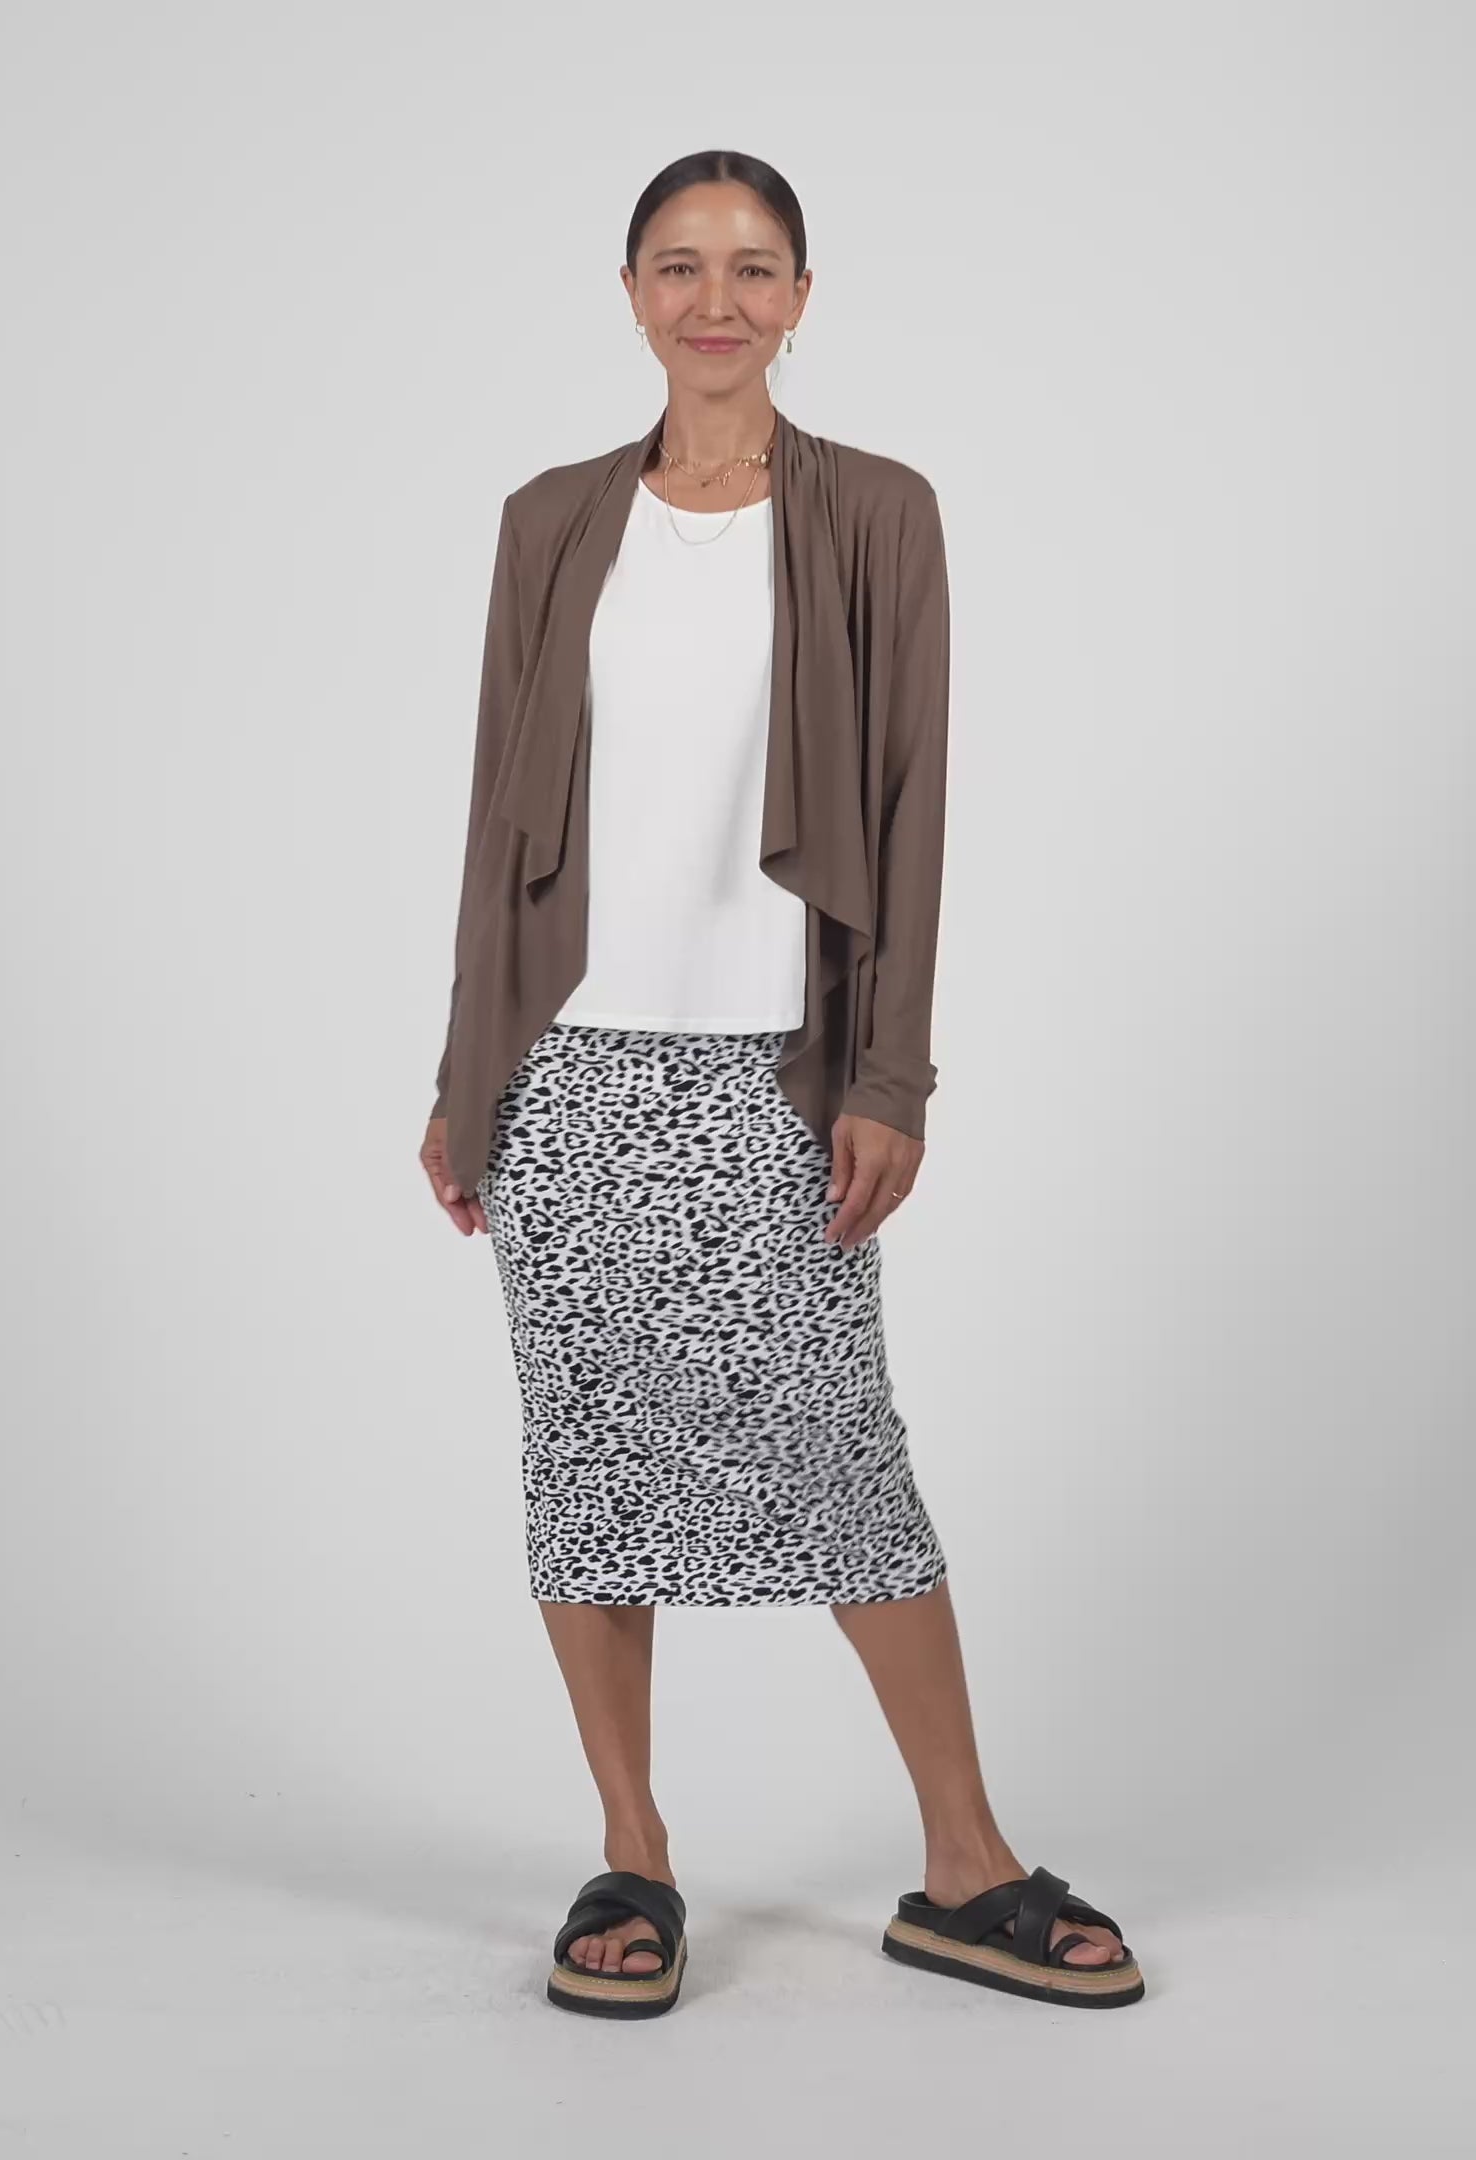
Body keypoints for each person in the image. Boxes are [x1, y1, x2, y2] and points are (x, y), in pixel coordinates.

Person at [420, 148, 1143, 2018]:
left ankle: (965, 1862)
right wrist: (465, 1069)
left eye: (753, 268)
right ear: (632, 294)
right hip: (571, 1068)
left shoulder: (877, 513)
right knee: (589, 1456)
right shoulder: (549, 521)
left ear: (803, 300)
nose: (715, 300)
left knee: (840, 1458)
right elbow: (499, 812)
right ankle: (633, 1854)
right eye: (679, 265)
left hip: (779, 1072)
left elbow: (910, 801)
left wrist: (892, 1070)